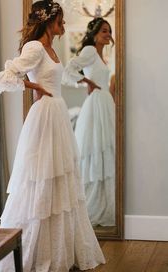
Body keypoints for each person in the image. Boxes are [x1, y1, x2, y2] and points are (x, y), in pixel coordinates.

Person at [0, 1, 105, 271]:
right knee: (40, 177)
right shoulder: (34, 47)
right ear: (48, 21)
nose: (63, 26)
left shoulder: (51, 48)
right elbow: (3, 77)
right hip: (43, 118)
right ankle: (32, 252)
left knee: (60, 179)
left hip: (58, 115)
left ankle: (62, 251)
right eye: (61, 22)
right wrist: (31, 84)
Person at [62, 17, 115, 227]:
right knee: (95, 149)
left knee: (106, 150)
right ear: (94, 33)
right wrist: (85, 80)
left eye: (109, 31)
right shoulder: (90, 51)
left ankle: (106, 200)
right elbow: (68, 70)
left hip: (105, 102)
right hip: (96, 105)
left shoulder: (103, 55)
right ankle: (91, 205)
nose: (107, 34)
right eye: (104, 30)